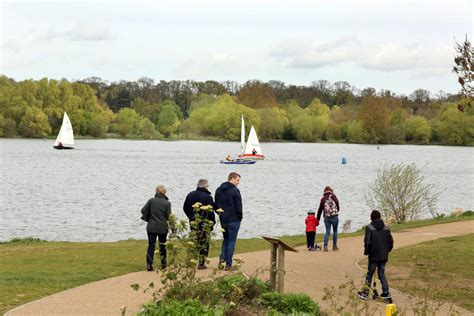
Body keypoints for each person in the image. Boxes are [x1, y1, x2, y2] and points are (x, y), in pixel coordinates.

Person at [357, 210, 394, 301]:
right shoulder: (386, 227)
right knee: (381, 273)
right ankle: (386, 292)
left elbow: (367, 241)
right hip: (383, 255)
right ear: (380, 217)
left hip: (373, 254)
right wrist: (386, 251)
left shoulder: (369, 228)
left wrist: (366, 251)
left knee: (370, 273)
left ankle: (365, 292)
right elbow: (391, 242)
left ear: (371, 217)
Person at [183, 179, 216, 269]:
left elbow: (185, 208)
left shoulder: (190, 195)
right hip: (205, 223)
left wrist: (190, 217)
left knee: (195, 241)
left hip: (194, 223)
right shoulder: (207, 197)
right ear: (205, 186)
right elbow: (211, 212)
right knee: (204, 243)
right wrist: (212, 223)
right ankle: (201, 263)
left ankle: (192, 260)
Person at [215, 172, 242, 270]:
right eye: (238, 180)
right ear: (232, 179)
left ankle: (222, 258)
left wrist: (220, 214)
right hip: (233, 219)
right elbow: (238, 205)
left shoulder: (218, 190)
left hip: (223, 219)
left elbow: (216, 205)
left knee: (226, 239)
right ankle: (228, 264)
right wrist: (239, 217)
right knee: (231, 241)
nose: (238, 183)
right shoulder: (235, 190)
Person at [141, 184, 171, 271]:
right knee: (162, 246)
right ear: (164, 192)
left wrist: (149, 216)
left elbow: (143, 210)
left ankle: (149, 265)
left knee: (151, 245)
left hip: (151, 227)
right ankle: (163, 264)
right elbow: (169, 216)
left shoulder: (151, 201)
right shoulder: (167, 203)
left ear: (156, 191)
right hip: (162, 227)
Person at [317, 186, 340, 252]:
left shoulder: (322, 199)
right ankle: (334, 246)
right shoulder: (333, 196)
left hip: (326, 217)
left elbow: (320, 210)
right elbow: (337, 204)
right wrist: (336, 211)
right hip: (334, 216)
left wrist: (318, 219)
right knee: (335, 231)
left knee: (327, 232)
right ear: (331, 190)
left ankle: (325, 247)